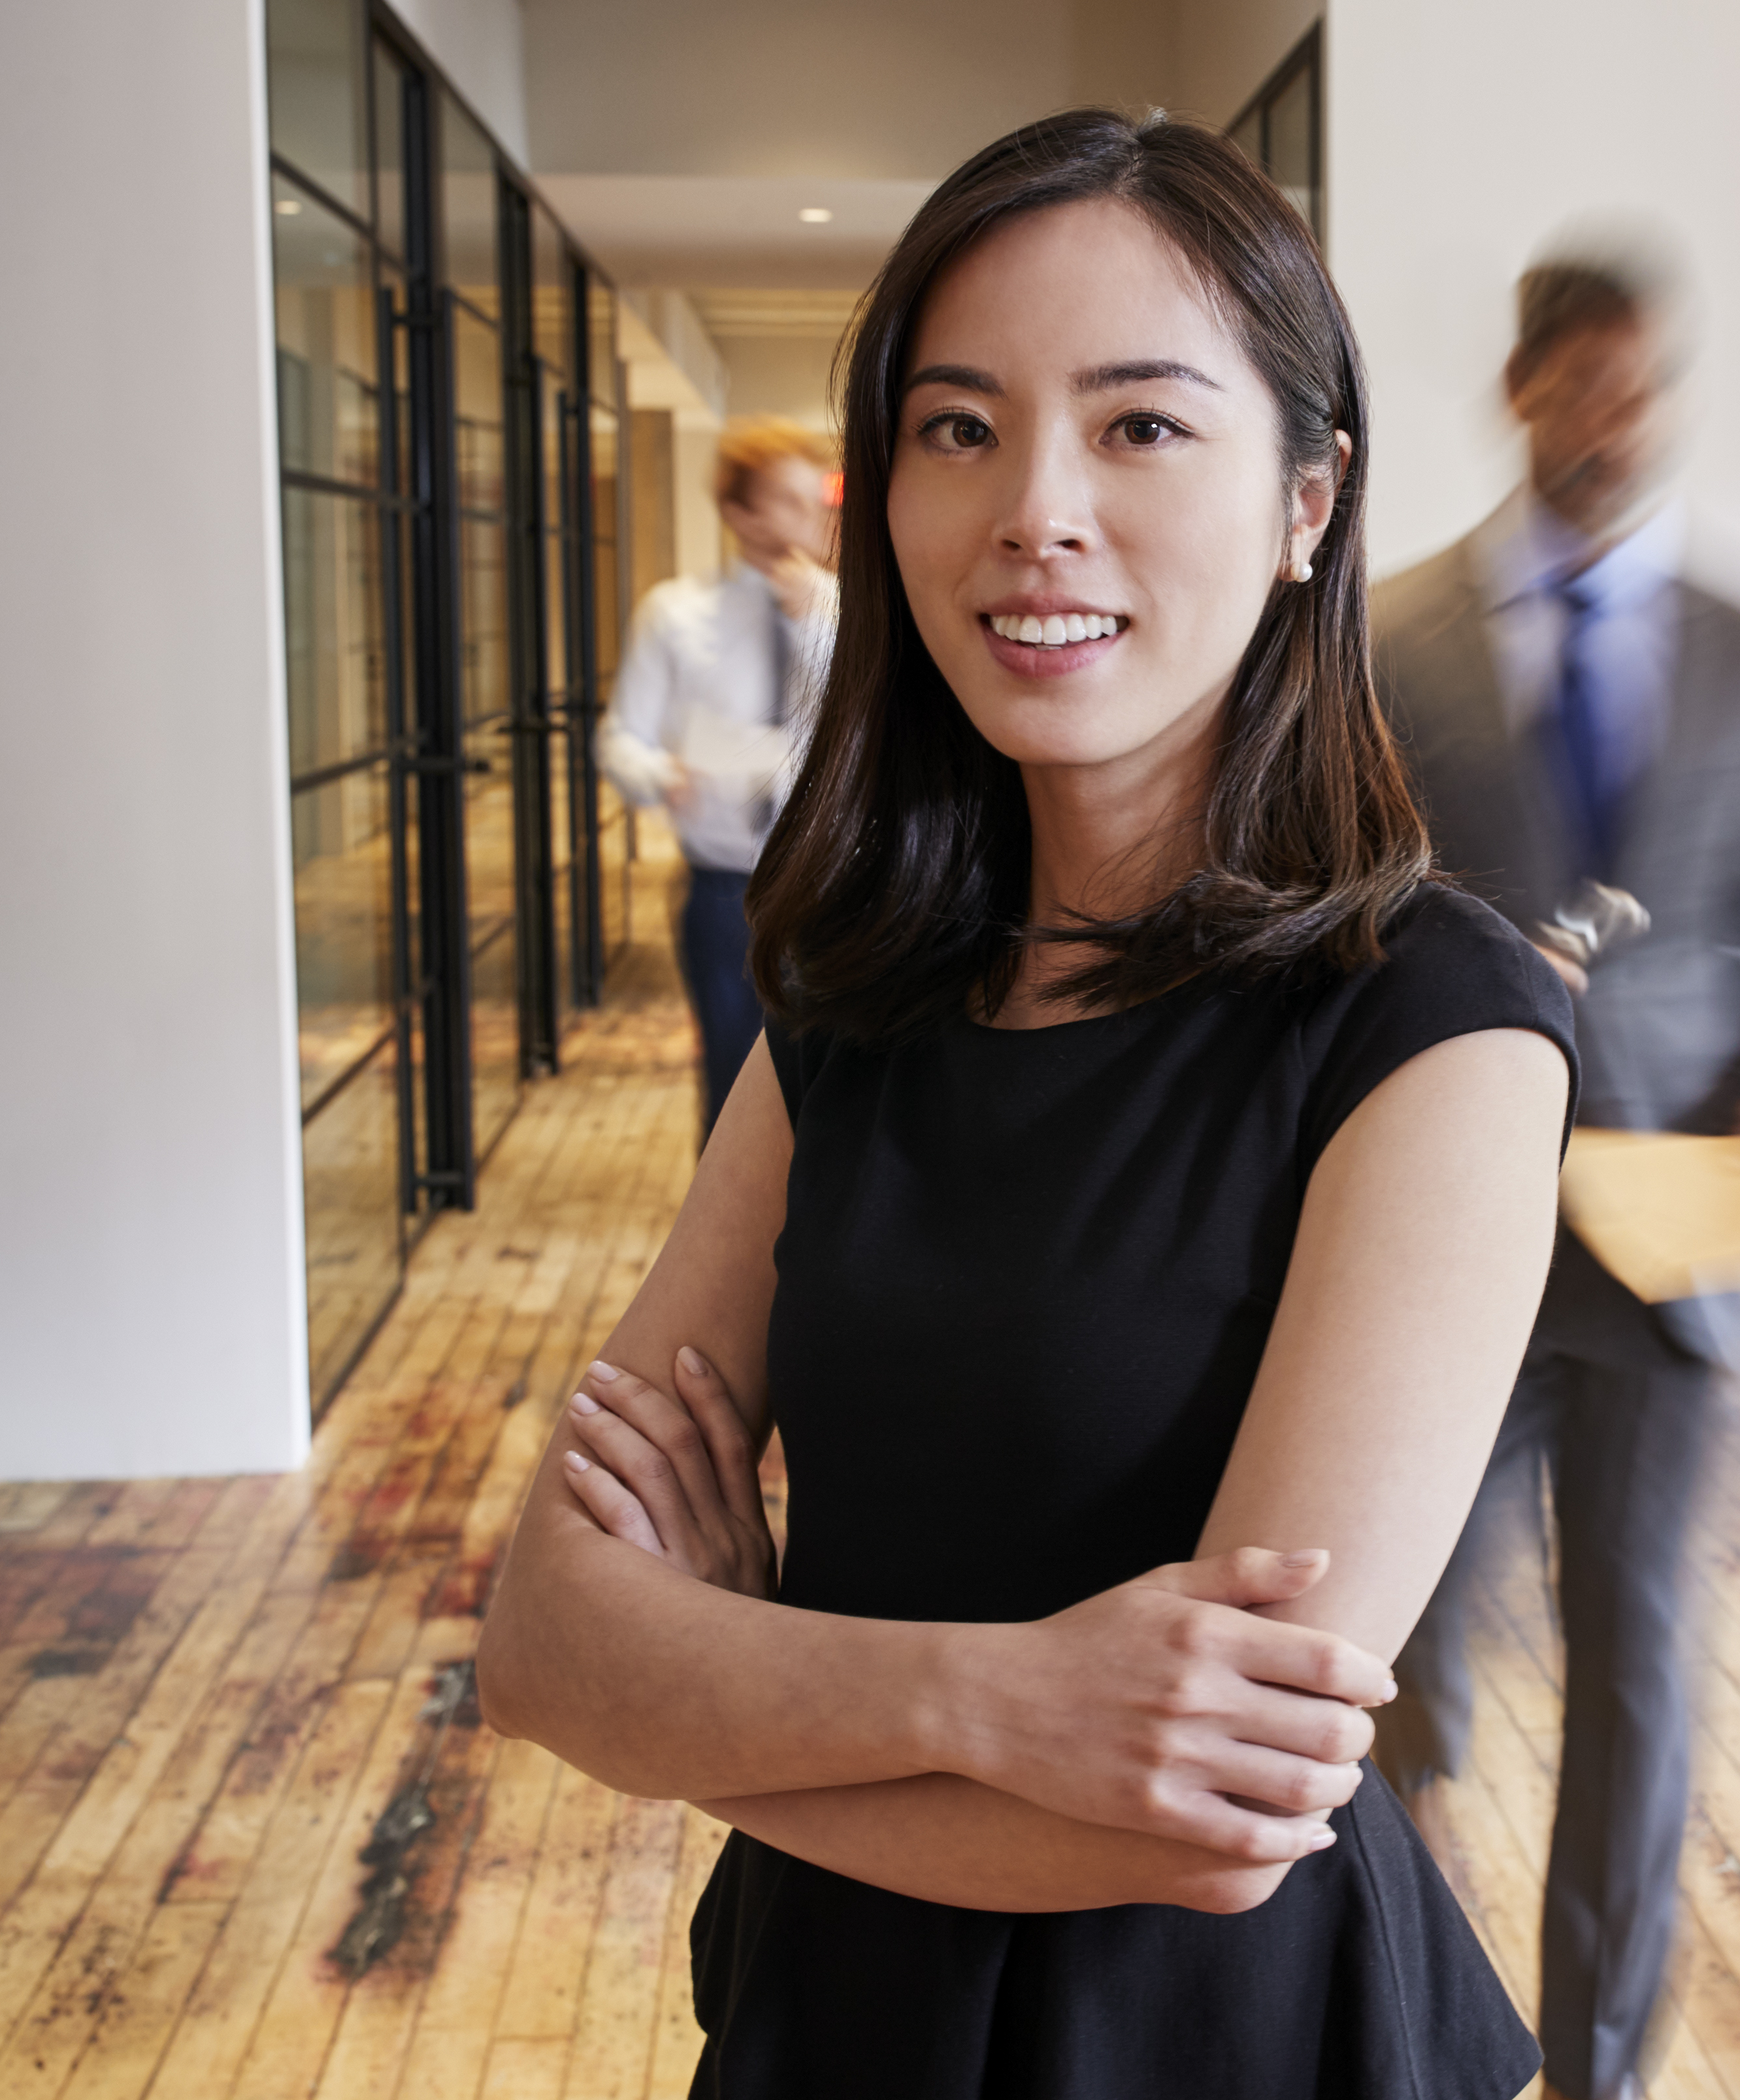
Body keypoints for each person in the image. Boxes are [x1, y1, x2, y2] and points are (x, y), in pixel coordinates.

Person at [472, 112, 1576, 2099]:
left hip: (1223, 2042)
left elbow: (1206, 1818)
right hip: (836, 2022)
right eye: (957, 425)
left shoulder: (1435, 1026)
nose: (1032, 509)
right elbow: (543, 1642)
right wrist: (1005, 1695)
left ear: (1309, 497)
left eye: (1141, 427)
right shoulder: (855, 994)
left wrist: (715, 1688)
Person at [1369, 246, 1740, 2100]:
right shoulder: (1390, 637)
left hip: (1679, 1247)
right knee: (1399, 1658)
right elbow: (1341, 920)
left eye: (1648, 387)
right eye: (1590, 385)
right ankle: (1399, 2016)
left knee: (1637, 1666)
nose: (1620, 422)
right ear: (1525, 387)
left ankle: (1598, 2068)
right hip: (1446, 1238)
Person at [599, 417, 837, 1133]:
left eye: (815, 501)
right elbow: (620, 738)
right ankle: (729, 1245)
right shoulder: (675, 614)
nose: (811, 518)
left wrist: (820, 625)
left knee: (838, 1087)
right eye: (788, 501)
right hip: (725, 891)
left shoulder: (852, 611)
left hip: (834, 886)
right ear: (739, 513)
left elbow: (879, 727)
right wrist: (658, 774)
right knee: (734, 1088)